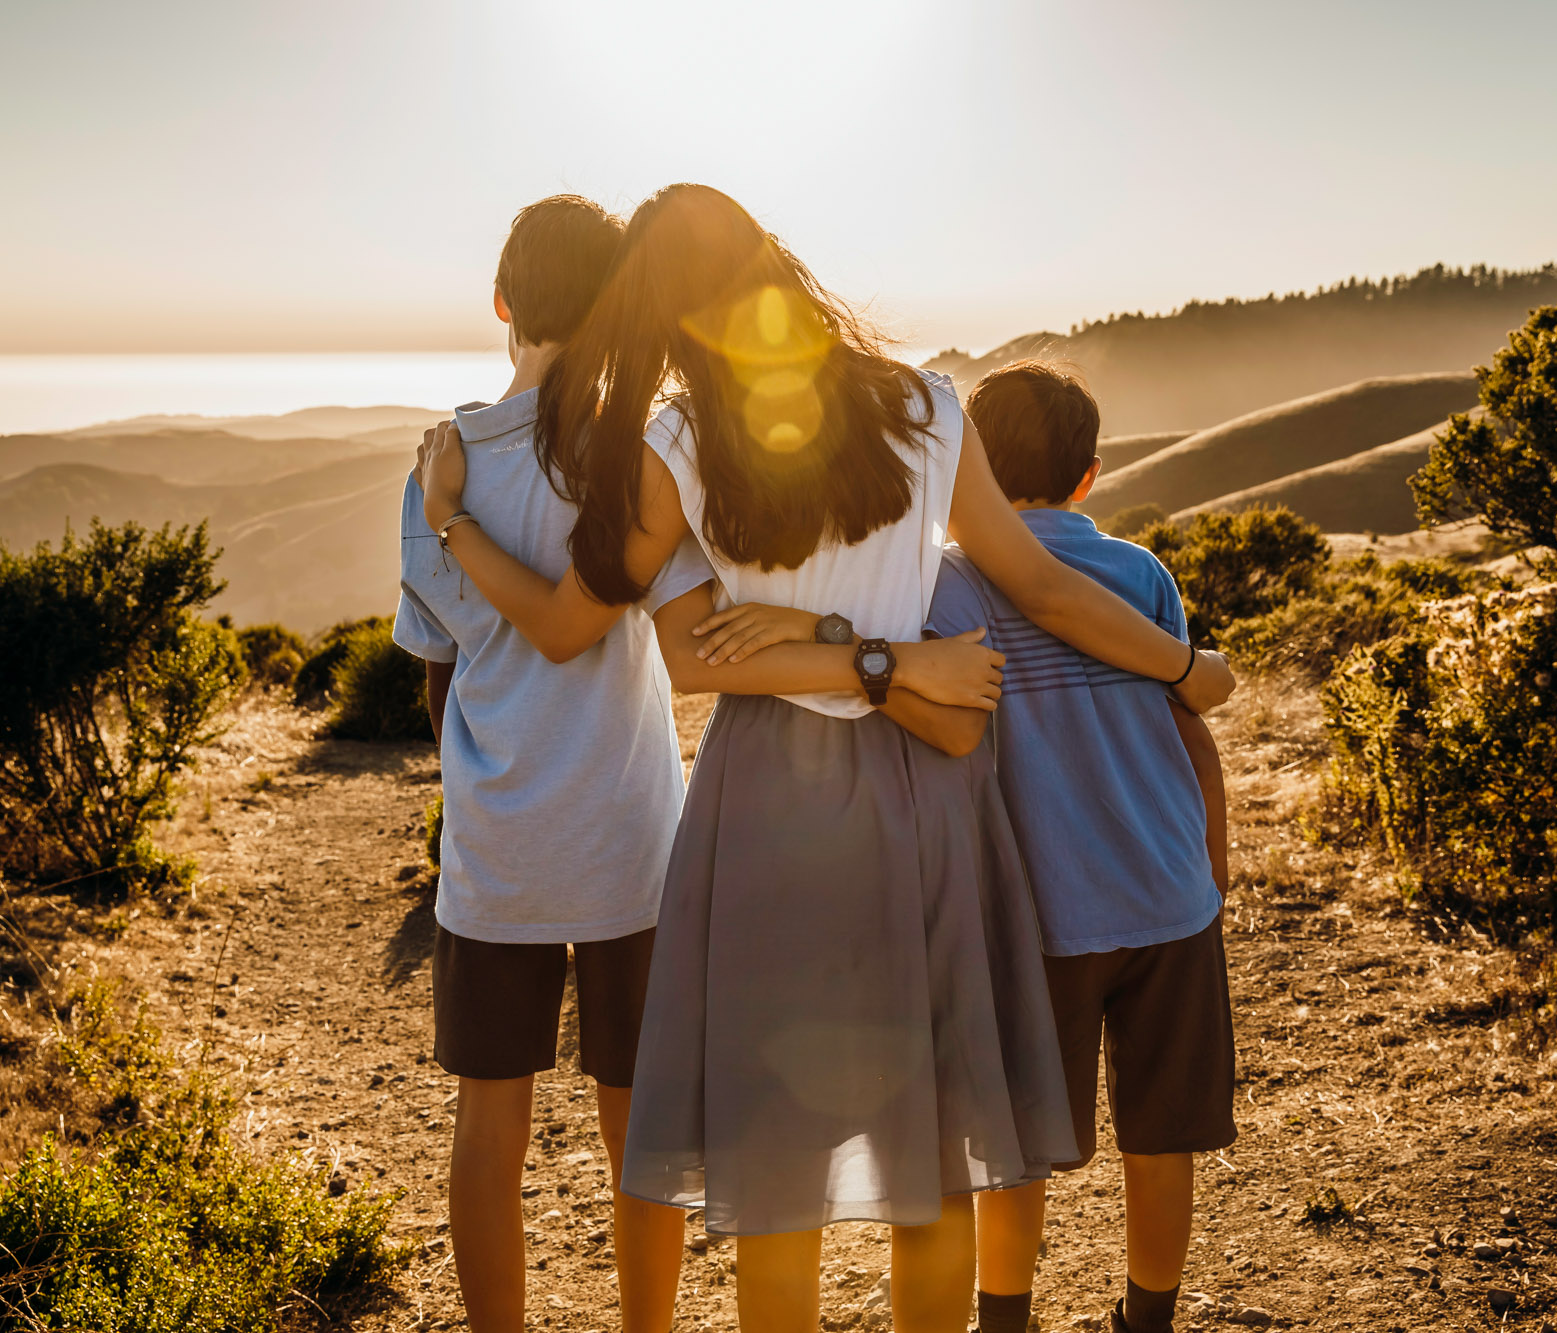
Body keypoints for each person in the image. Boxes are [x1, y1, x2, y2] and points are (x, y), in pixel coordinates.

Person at [415, 183, 1237, 1333]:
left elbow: (690, 659)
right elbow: (1041, 586)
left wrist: (826, 649)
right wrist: (1181, 667)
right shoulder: (926, 405)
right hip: (927, 790)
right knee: (937, 1147)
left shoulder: (673, 441)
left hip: (765, 802)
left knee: (775, 1162)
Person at [392, 195, 707, 1333]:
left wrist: (479, 776)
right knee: (639, 1127)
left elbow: (434, 666)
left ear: (501, 302)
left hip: (501, 842)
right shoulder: (631, 458)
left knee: (489, 1129)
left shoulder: (442, 467)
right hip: (629, 833)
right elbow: (680, 626)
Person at [906, 362, 1236, 1333]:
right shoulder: (1140, 575)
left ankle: (1004, 1320)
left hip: (1034, 920)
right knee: (1160, 1136)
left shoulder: (947, 587)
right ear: (1088, 476)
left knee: (1012, 1148)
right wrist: (1209, 865)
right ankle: (1147, 1317)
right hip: (1166, 899)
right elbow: (1187, 726)